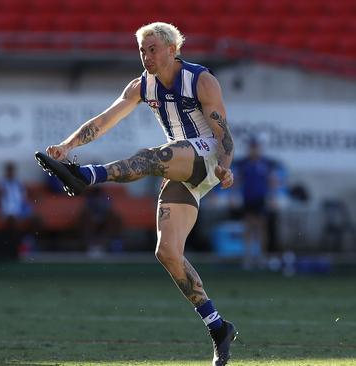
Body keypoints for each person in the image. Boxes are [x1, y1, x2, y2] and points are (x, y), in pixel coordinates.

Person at [35, 22, 237, 365]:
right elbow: (105, 120)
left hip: (206, 157)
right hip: (181, 164)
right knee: (167, 252)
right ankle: (218, 327)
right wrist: (67, 146)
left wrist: (226, 167)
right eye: (142, 50)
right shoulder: (142, 85)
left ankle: (87, 175)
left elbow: (223, 132)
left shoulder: (200, 79)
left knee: (152, 156)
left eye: (153, 49)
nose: (146, 56)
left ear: (173, 49)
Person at [233, 137, 277, 270]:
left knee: (261, 228)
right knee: (248, 227)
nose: (254, 150)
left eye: (256, 148)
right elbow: (237, 181)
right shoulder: (244, 163)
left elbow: (272, 181)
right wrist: (233, 195)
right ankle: (247, 257)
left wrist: (273, 197)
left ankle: (261, 256)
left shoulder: (266, 163)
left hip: (261, 199)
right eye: (252, 148)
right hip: (248, 199)